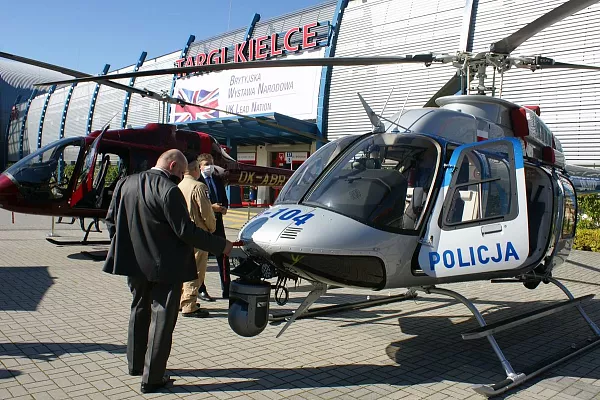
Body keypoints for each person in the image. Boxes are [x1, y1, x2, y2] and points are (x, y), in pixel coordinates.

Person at [103, 149, 233, 394]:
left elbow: (111, 221)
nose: (181, 176)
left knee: (138, 309)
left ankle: (135, 365)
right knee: (162, 317)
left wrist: (126, 247)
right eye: (180, 172)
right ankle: (152, 378)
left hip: (134, 263)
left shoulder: (125, 183)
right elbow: (185, 231)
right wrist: (221, 245)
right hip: (165, 266)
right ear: (173, 166)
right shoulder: (169, 190)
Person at [178, 152, 217, 316]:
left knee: (182, 269)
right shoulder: (199, 187)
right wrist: (212, 228)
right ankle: (189, 304)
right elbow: (206, 212)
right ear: (196, 169)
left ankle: (181, 300)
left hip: (182, 234)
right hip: (199, 234)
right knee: (196, 271)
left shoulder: (179, 186)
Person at [197, 153, 231, 299]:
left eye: (211, 163)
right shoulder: (197, 182)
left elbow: (224, 199)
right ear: (199, 166)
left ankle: (227, 288)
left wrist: (223, 208)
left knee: (223, 255)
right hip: (203, 224)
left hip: (218, 224)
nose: (209, 166)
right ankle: (200, 289)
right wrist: (212, 207)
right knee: (201, 258)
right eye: (206, 164)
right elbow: (197, 204)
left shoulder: (217, 180)